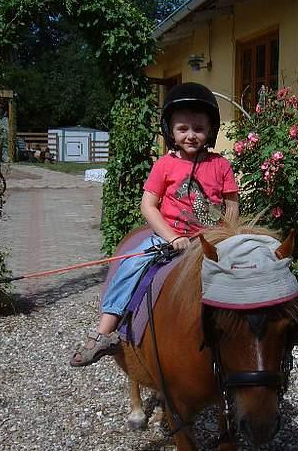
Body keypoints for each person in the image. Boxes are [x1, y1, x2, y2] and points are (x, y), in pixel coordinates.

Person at [70, 82, 239, 367]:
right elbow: (148, 206)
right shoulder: (165, 165)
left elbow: (232, 204)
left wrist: (228, 237)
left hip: (211, 240)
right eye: (183, 128)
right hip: (169, 237)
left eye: (198, 128)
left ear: (210, 130)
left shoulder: (220, 165)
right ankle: (104, 332)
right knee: (131, 265)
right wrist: (172, 237)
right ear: (170, 130)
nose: (191, 135)